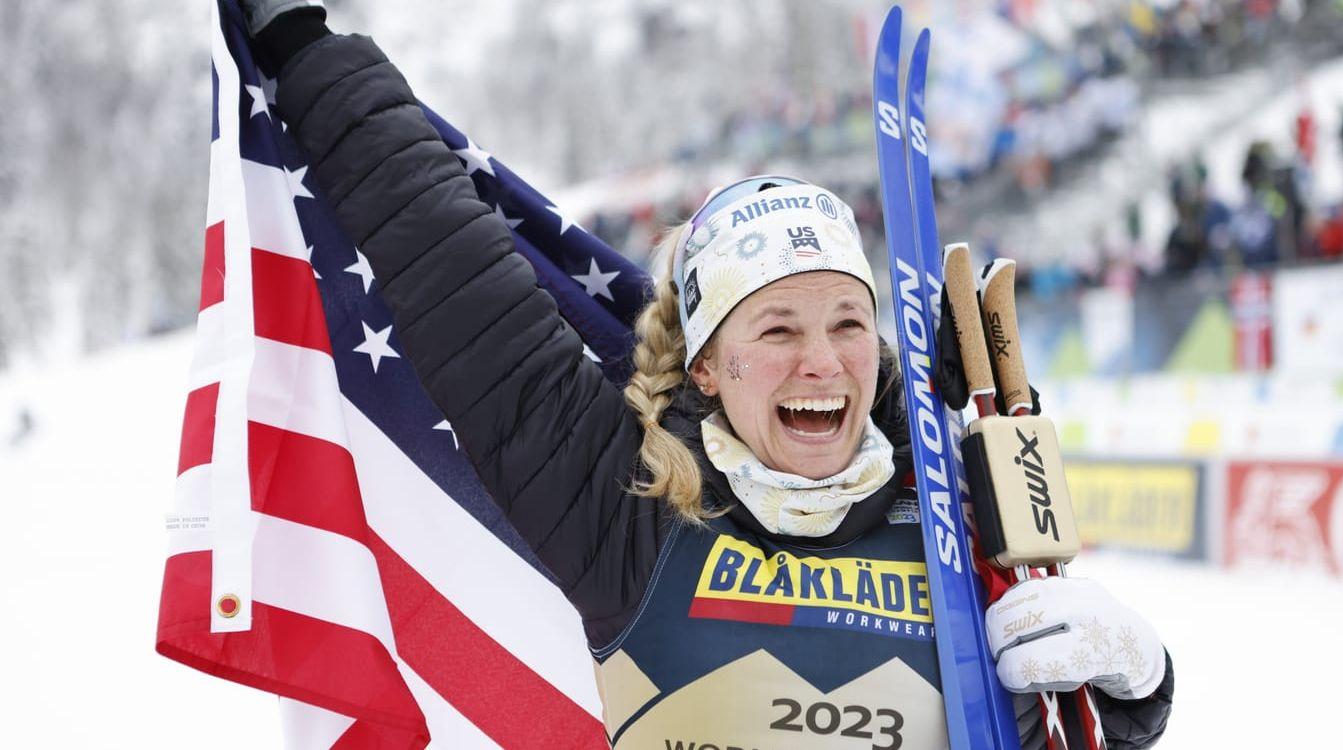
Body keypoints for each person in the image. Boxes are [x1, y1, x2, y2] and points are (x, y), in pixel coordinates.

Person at [240, 2, 1174, 748]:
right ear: (710, 367)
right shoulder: (622, 502)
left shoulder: (953, 517)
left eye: (847, 320)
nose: (821, 360)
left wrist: (1133, 694)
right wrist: (304, 46)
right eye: (775, 327)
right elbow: (448, 258)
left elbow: (1055, 724)